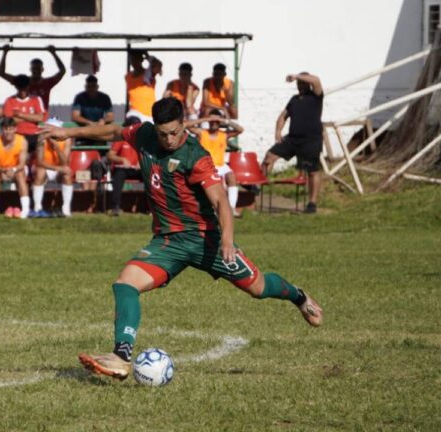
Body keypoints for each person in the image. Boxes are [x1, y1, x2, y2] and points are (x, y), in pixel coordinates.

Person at [39, 97, 323, 381]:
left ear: (183, 125)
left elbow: (221, 200)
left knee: (258, 288)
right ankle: (121, 356)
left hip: (206, 241)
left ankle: (299, 297)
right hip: (168, 242)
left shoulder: (195, 156)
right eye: (163, 134)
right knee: (125, 285)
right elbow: (113, 131)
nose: (169, 139)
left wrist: (226, 240)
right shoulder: (144, 135)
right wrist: (68, 132)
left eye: (174, 132)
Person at [262, 73, 324, 214]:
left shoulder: (315, 96)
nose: (300, 84)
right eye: (299, 82)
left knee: (312, 171)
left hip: (311, 140)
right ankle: (258, 188)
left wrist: (297, 76)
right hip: (292, 139)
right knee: (269, 157)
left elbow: (317, 81)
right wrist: (278, 131)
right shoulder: (294, 100)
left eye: (302, 82)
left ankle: (312, 203)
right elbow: (283, 116)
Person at [187, 109, 244, 216]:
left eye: (216, 121)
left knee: (231, 176)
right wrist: (205, 118)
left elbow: (240, 130)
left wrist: (224, 120)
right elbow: (187, 126)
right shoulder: (202, 133)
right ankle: (213, 208)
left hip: (220, 165)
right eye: (212, 121)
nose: (214, 123)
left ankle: (231, 208)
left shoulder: (224, 135)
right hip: (206, 165)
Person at [0, 45, 66, 110]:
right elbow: (1, 73)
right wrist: (5, 53)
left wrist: (53, 53)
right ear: (30, 69)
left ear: (42, 70)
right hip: (26, 116)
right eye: (34, 68)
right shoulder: (23, 81)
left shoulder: (47, 83)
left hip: (40, 118)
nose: (36, 71)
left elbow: (62, 71)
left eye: (38, 69)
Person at [0, 117, 30, 219]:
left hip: (17, 169)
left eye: (11, 129)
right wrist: (3, 170)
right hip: (1, 169)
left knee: (21, 175)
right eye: (5, 129)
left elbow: (22, 163)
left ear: (15, 129)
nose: (8, 132)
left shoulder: (22, 141)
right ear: (2, 129)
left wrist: (13, 170)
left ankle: (26, 210)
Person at [32, 118, 73, 217]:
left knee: (67, 173)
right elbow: (40, 161)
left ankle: (66, 208)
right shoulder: (41, 138)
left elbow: (65, 162)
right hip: (46, 167)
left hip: (59, 168)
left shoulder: (67, 140)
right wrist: (57, 168)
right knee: (40, 172)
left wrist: (56, 147)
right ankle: (37, 207)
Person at [106, 117, 143, 216]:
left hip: (138, 169)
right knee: (118, 175)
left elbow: (149, 155)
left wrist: (142, 163)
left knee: (151, 175)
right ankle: (115, 207)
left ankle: (151, 208)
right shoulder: (121, 138)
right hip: (123, 169)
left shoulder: (143, 140)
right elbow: (110, 155)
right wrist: (122, 159)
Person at [2, 74, 48, 153]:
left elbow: (39, 118)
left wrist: (20, 115)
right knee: (20, 145)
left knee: (43, 143)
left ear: (28, 86)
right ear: (16, 87)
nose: (22, 90)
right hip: (17, 134)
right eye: (20, 87)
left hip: (34, 134)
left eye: (24, 87)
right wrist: (31, 118)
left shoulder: (36, 99)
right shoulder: (9, 100)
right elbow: (9, 121)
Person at [71, 75, 114, 147]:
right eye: (89, 86)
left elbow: (111, 116)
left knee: (101, 152)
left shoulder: (105, 98)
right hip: (84, 132)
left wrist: (103, 120)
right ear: (86, 86)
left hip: (99, 131)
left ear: (97, 86)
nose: (91, 89)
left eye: (93, 86)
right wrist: (89, 122)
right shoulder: (79, 98)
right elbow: (75, 116)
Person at [125, 50, 161, 123]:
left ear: (141, 59)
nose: (133, 62)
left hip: (149, 114)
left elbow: (158, 66)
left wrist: (147, 56)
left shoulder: (148, 75)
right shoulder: (128, 76)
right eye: (132, 59)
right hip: (134, 113)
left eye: (136, 59)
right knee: (133, 122)